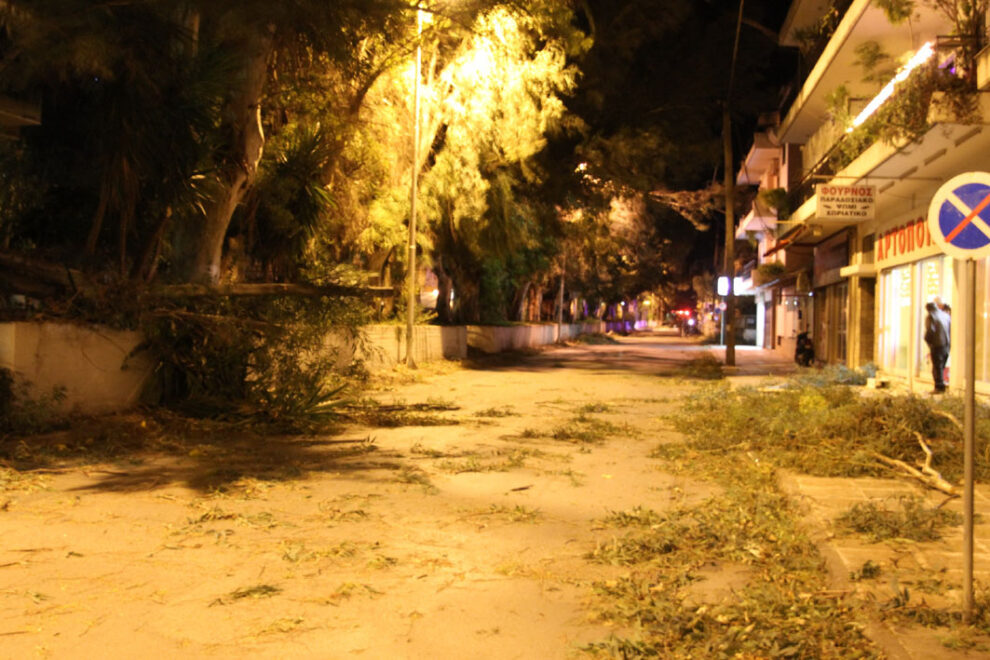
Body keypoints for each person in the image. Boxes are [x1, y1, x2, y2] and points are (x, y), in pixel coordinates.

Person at [923, 301, 950, 393]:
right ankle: (941, 385)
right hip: (946, 344)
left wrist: (928, 342)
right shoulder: (945, 316)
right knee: (941, 366)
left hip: (937, 344)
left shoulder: (931, 316)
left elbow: (930, 330)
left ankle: (939, 387)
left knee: (937, 366)